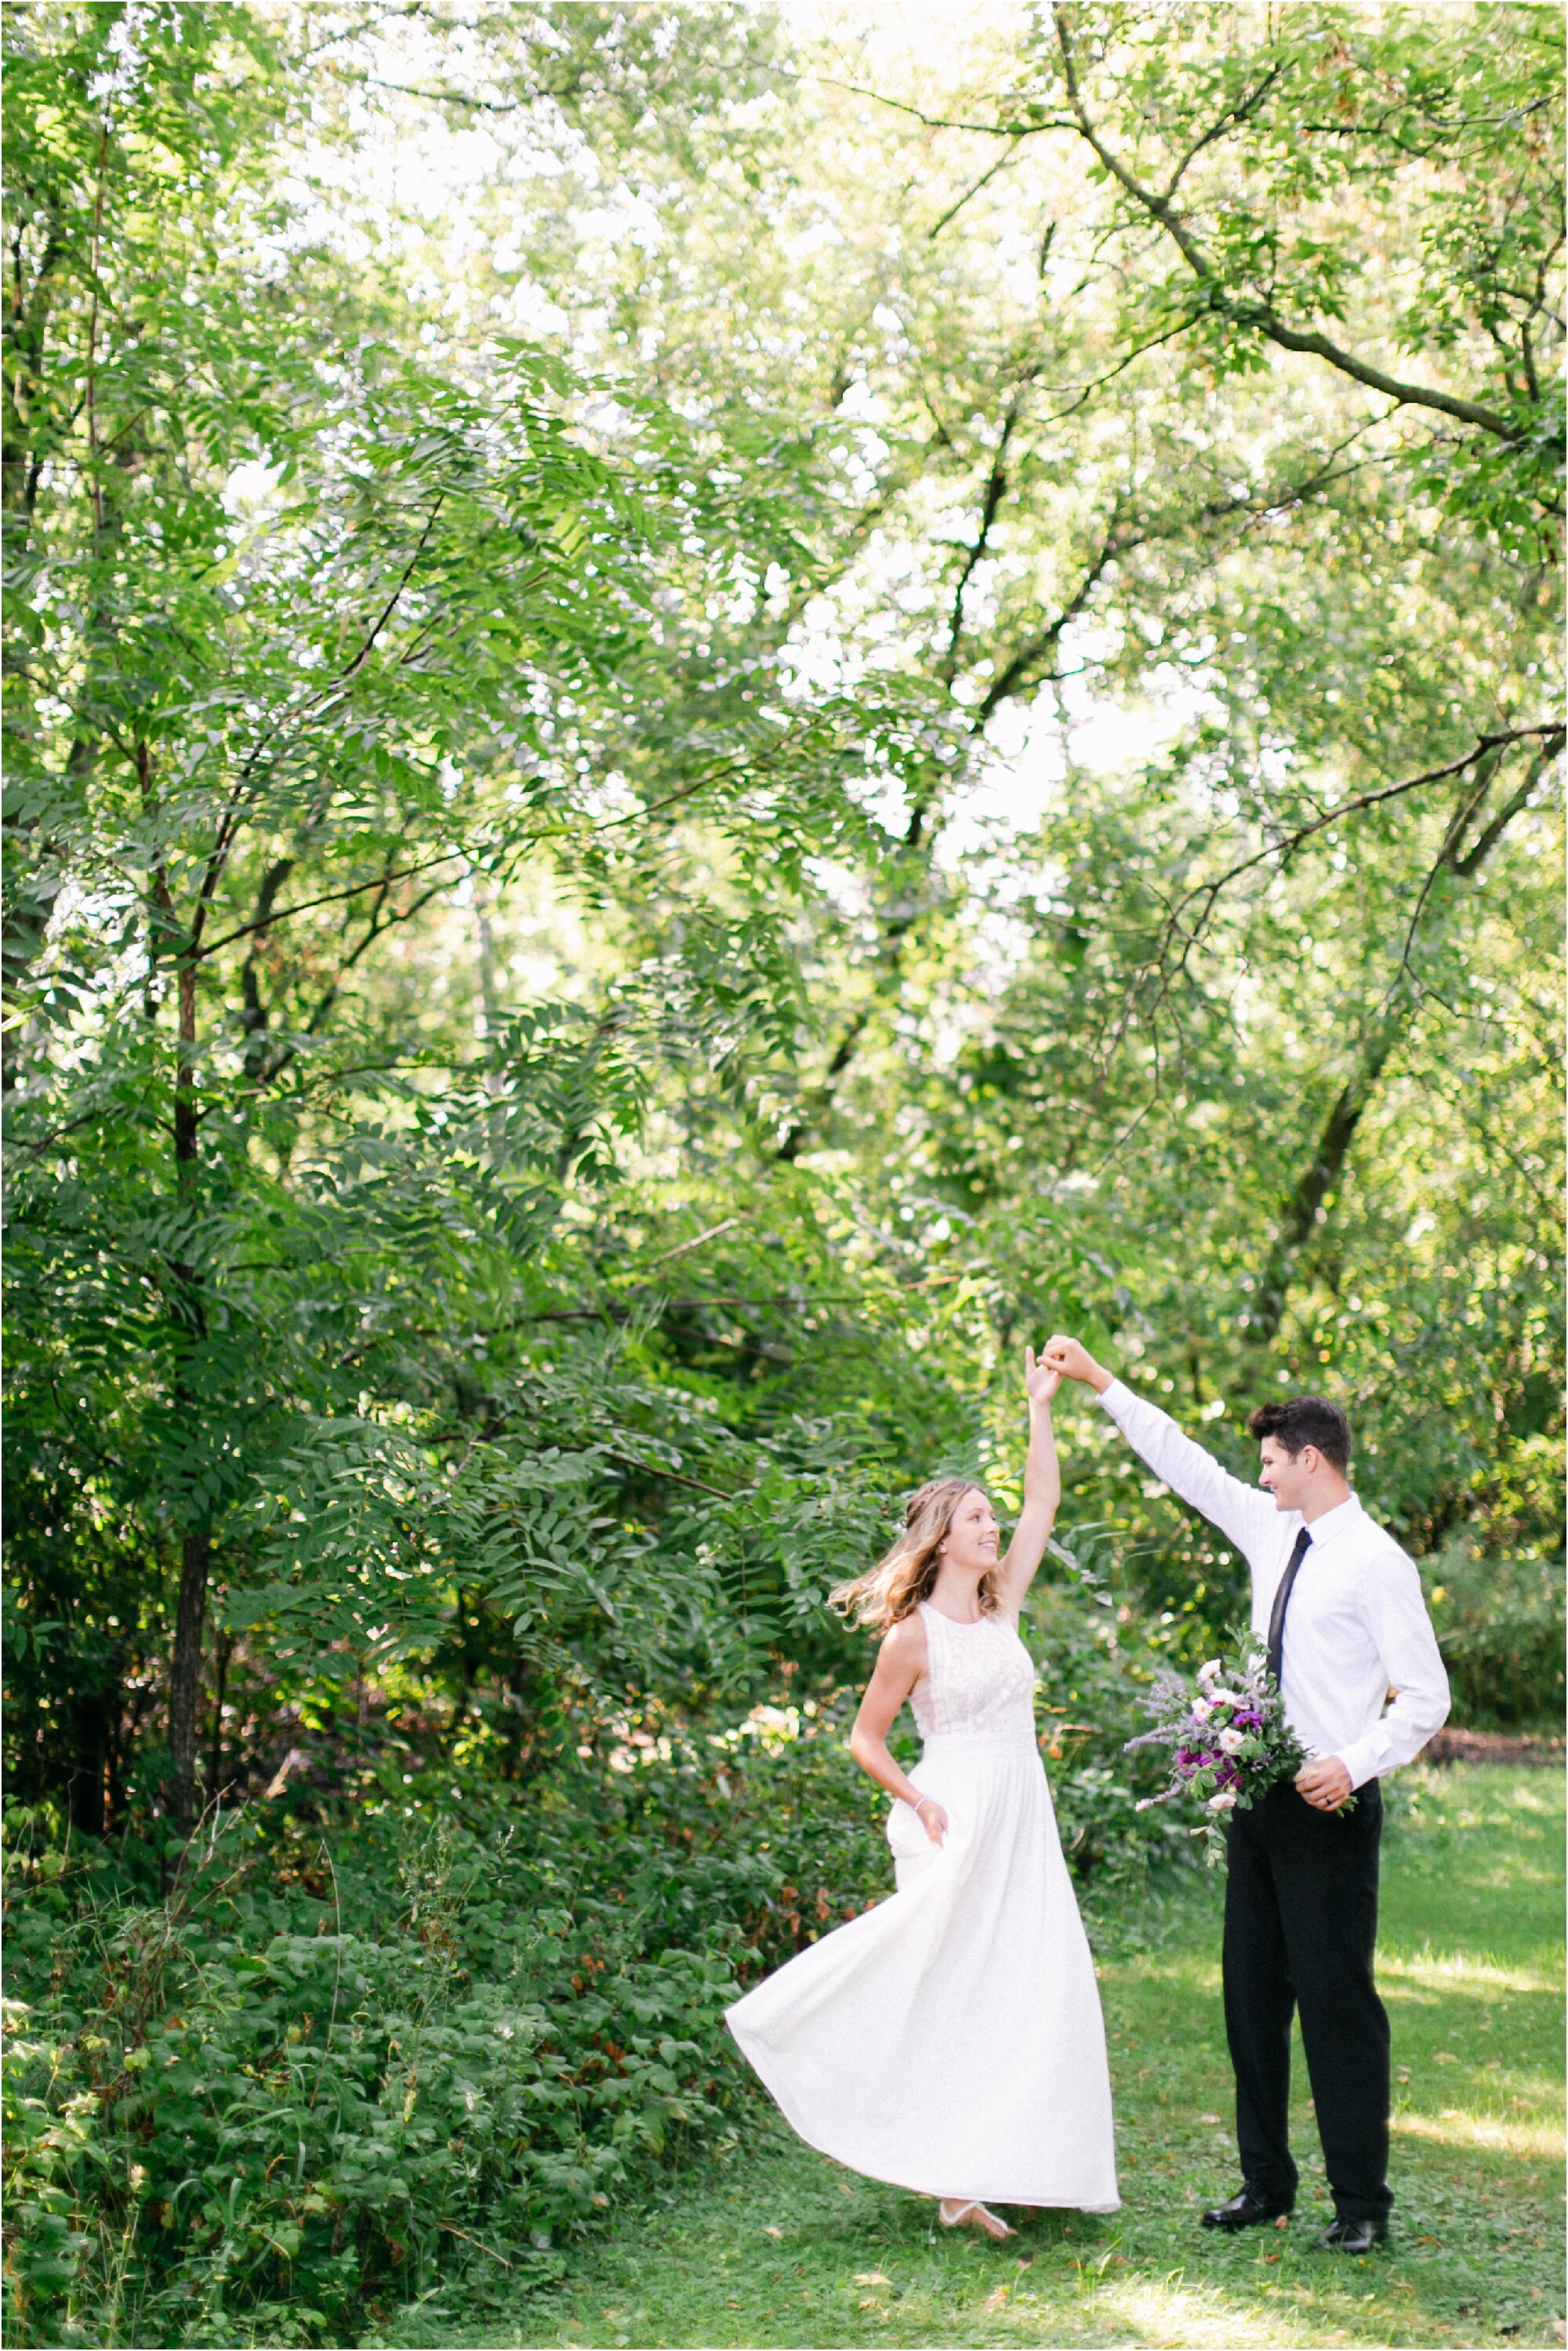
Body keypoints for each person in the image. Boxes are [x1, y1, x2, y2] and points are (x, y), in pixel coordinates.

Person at [1044, 1335, 1450, 2254]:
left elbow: (1425, 1695)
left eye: (1269, 1461)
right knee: (1248, 1998)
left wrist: (1354, 1759)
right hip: (1257, 1801)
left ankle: (1361, 2205)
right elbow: (1180, 1462)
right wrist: (1098, 1381)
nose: (1258, 1476)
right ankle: (1265, 2186)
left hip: (1329, 1806)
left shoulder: (1377, 1561)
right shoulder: (1271, 1529)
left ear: (1310, 1460)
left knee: (1337, 2001)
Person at [724, 1348, 1119, 2237]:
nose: (995, 1526)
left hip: (1024, 1811)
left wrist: (1040, 1409)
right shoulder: (911, 1635)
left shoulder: (999, 1605)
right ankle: (946, 2175)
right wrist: (916, 1797)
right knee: (951, 1985)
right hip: (956, 1812)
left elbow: (1047, 1501)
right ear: (942, 1538)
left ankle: (1013, 2157)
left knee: (1029, 1981)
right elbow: (864, 1738)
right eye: (980, 1518)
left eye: (992, 1517)